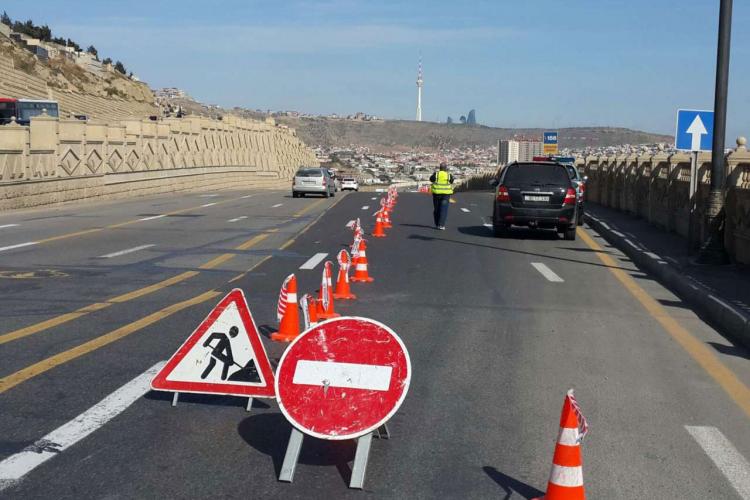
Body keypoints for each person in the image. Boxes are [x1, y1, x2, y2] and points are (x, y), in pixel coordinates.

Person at [429, 163, 454, 230]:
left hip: (436, 194)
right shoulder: (448, 175)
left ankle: (437, 224)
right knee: (443, 210)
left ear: (439, 168)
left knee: (436, 209)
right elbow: (452, 181)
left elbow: (431, 179)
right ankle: (441, 225)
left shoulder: (436, 174)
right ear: (446, 168)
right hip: (446, 195)